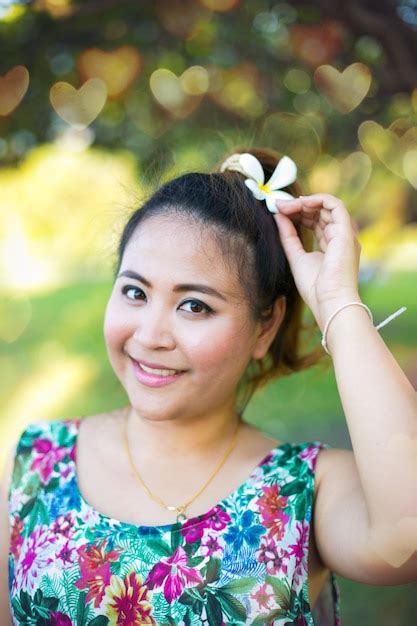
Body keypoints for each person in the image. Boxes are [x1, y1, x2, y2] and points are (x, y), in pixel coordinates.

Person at [1, 146, 416, 626]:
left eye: (194, 305)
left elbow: (405, 537)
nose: (150, 336)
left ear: (265, 327)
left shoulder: (303, 491)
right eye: (135, 292)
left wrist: (337, 302)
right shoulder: (35, 464)